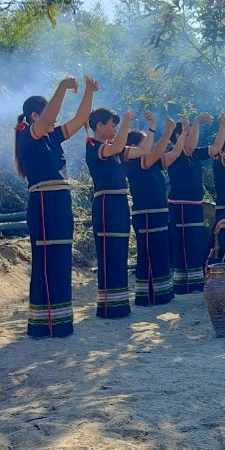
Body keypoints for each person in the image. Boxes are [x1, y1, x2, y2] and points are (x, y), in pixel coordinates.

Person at [14, 75, 97, 337]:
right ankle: (43, 324)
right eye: (46, 109)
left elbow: (81, 119)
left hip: (60, 201)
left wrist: (89, 92)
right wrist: (61, 87)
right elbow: (49, 120)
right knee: (47, 260)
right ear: (34, 116)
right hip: (43, 203)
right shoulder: (29, 137)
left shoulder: (53, 138)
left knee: (61, 259)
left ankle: (60, 322)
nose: (51, 117)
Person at [86, 107, 147, 319]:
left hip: (120, 202)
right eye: (113, 125)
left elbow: (145, 151)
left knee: (120, 252)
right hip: (106, 203)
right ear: (99, 126)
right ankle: (108, 307)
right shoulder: (93, 146)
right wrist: (128, 121)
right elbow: (121, 144)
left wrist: (155, 129)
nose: (115, 129)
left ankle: (120, 304)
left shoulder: (114, 149)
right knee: (109, 252)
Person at [166, 113, 223, 294]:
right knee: (184, 243)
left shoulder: (194, 154)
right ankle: (183, 285)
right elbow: (188, 146)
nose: (192, 137)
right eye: (187, 132)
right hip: (180, 205)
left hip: (195, 204)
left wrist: (223, 126)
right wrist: (197, 121)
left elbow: (215, 149)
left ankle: (196, 282)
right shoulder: (174, 152)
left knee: (195, 242)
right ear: (178, 136)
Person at [125, 113, 175, 307]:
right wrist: (163, 129)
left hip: (158, 213)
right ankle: (148, 297)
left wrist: (180, 133)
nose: (150, 146)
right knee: (150, 254)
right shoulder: (138, 162)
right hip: (146, 214)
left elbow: (175, 153)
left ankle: (162, 294)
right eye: (145, 143)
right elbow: (154, 153)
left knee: (161, 253)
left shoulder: (152, 164)